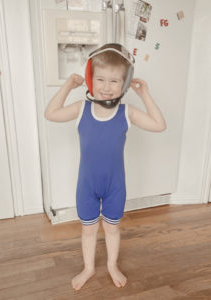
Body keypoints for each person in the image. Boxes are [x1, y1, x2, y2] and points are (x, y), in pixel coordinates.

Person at [44, 43, 166, 291]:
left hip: (115, 186)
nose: (106, 87)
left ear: (125, 83)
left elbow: (159, 125)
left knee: (112, 228)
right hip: (86, 186)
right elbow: (51, 113)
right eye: (100, 79)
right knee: (88, 231)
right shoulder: (81, 109)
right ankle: (88, 268)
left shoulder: (127, 112)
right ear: (90, 78)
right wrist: (68, 85)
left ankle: (111, 265)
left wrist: (145, 95)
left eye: (114, 81)